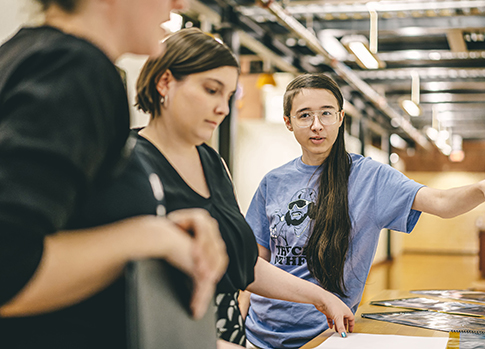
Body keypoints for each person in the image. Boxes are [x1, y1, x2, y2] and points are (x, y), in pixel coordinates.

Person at [0, 0, 228, 348]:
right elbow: (8, 266)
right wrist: (148, 236)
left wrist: (157, 230)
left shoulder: (25, 57)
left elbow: (61, 231)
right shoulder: (74, 68)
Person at [243, 73, 485, 349]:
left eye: (326, 113)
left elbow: (439, 202)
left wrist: (481, 188)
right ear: (288, 122)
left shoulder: (370, 177)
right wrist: (238, 320)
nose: (317, 125)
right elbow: (254, 263)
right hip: (257, 334)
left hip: (324, 335)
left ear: (340, 117)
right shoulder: (273, 181)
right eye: (304, 115)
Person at [111, 27, 353, 348]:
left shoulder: (214, 164)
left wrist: (320, 297)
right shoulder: (124, 162)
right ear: (165, 82)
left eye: (228, 96)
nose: (223, 109)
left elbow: (245, 265)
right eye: (212, 90)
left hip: (229, 335)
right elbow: (123, 291)